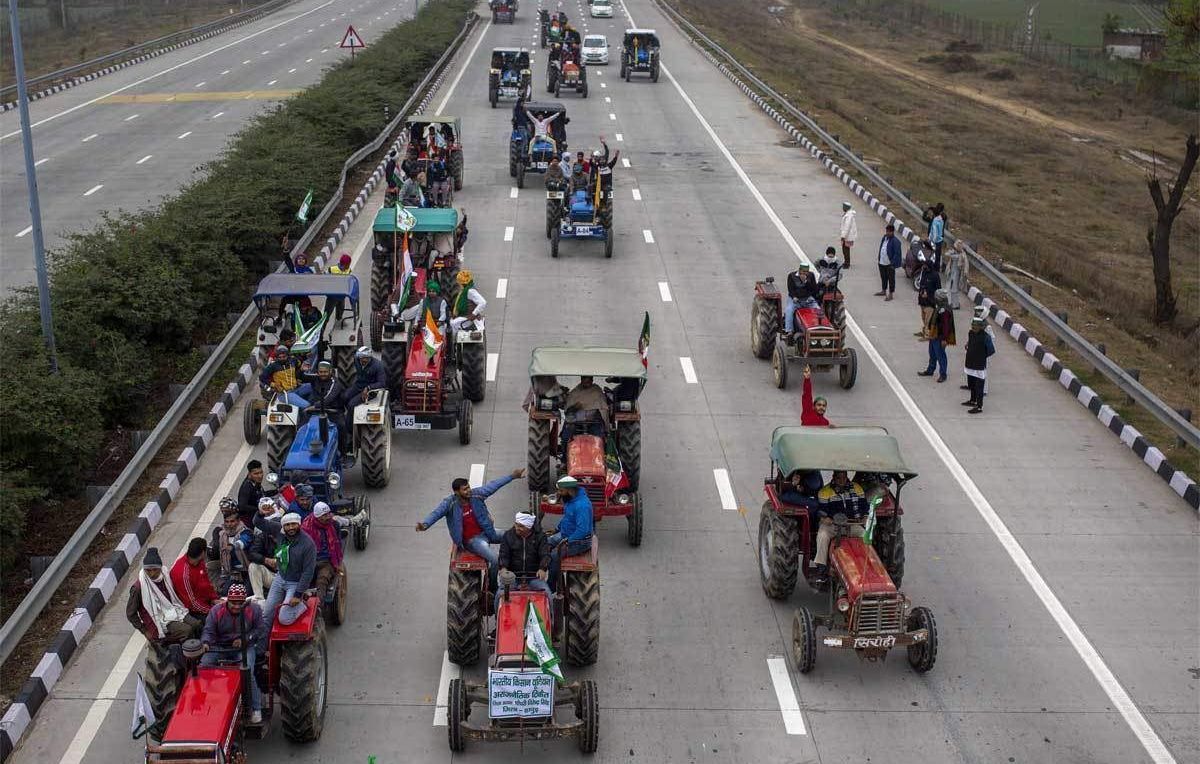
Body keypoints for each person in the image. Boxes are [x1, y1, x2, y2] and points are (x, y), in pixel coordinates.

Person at [417, 468, 525, 592]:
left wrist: (512, 476)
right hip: (473, 541)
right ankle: (492, 589)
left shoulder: (476, 494)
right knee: (495, 560)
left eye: (468, 487)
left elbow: (493, 485)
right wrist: (425, 525)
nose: (468, 491)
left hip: (488, 532)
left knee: (516, 536)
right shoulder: (449, 503)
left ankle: (521, 576)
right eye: (465, 489)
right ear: (456, 492)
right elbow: (436, 513)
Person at [200, 584, 266, 724]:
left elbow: (260, 630)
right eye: (233, 602)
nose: (236, 606)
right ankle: (205, 703)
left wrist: (245, 639)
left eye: (240, 603)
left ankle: (256, 708)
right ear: (227, 600)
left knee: (247, 671)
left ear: (245, 602)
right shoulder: (216, 611)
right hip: (219, 647)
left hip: (244, 647)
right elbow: (208, 630)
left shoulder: (254, 610)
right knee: (204, 666)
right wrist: (206, 643)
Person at [126, 547, 198, 642]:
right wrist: (144, 630)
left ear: (160, 568)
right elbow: (130, 614)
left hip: (173, 610)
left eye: (155, 570)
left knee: (196, 624)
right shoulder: (138, 588)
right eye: (148, 570)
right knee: (186, 630)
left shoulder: (165, 575)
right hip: (158, 620)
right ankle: (183, 651)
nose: (152, 574)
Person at [811, 471, 868, 584]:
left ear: (847, 477)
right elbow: (821, 511)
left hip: (851, 525)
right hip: (832, 525)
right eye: (839, 478)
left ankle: (865, 566)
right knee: (822, 536)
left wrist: (865, 517)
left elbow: (864, 507)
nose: (842, 481)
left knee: (865, 536)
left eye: (844, 478)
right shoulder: (825, 492)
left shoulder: (857, 489)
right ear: (833, 478)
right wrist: (825, 518)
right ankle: (821, 570)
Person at [263, 513, 317, 628]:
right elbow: (258, 522)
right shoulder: (280, 534)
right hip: (280, 578)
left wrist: (297, 595)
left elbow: (308, 572)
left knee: (284, 618)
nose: (291, 527)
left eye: (294, 524)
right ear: (283, 527)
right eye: (287, 525)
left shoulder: (308, 544)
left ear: (299, 524)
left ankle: (303, 603)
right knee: (267, 614)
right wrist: (260, 513)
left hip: (295, 583)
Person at [496, 512, 553, 613]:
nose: (517, 528)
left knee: (548, 594)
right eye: (516, 524)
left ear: (529, 527)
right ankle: (498, 622)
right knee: (499, 595)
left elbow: (545, 555)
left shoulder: (540, 537)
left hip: (534, 577)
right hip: (513, 577)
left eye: (521, 526)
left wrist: (542, 568)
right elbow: (503, 554)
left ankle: (550, 624)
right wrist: (503, 568)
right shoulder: (508, 536)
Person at [546, 476, 593, 588]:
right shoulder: (571, 500)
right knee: (545, 544)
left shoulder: (582, 506)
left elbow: (583, 531)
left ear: (570, 490)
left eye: (561, 491)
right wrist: (557, 529)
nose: (559, 493)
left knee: (554, 555)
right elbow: (567, 518)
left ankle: (551, 586)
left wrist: (567, 541)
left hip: (579, 541)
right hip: (565, 534)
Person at [210, 509, 269, 597]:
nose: (229, 524)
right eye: (227, 522)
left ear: (238, 521)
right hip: (233, 573)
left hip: (249, 571)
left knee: (245, 595)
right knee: (225, 594)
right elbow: (221, 556)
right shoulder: (223, 535)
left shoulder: (246, 532)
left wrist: (234, 547)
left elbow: (243, 541)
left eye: (232, 521)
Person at [301, 502, 348, 598]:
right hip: (309, 561)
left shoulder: (334, 525)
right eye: (324, 515)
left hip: (326, 561)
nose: (328, 517)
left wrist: (337, 563)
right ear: (317, 517)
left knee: (322, 580)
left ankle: (318, 607)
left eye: (328, 514)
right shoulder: (305, 527)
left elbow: (337, 545)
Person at [170, 538, 219, 620]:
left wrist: (214, 599)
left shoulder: (200, 562)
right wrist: (211, 611)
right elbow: (192, 603)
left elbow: (206, 583)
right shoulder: (183, 574)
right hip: (193, 610)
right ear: (203, 553)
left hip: (205, 602)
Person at [342, 347, 387, 426]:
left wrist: (369, 388)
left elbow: (382, 383)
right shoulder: (356, 360)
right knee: (344, 397)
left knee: (351, 405)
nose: (363, 361)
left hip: (370, 390)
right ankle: (349, 415)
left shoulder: (378, 365)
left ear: (370, 357)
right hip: (358, 385)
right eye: (361, 358)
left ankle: (349, 428)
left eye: (366, 358)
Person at [918, 289, 956, 382]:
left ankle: (943, 374)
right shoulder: (939, 306)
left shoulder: (945, 310)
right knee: (932, 353)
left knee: (940, 355)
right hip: (934, 334)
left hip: (940, 336)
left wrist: (944, 339)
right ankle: (930, 370)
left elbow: (946, 326)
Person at [562, 376, 609, 449]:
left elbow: (603, 408)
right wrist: (574, 408)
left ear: (592, 380)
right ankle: (565, 457)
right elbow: (568, 409)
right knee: (565, 438)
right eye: (584, 381)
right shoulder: (576, 391)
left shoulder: (596, 391)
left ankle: (602, 457)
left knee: (600, 439)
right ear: (581, 380)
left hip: (593, 423)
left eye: (588, 382)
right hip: (576, 423)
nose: (586, 383)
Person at [963, 316, 996, 414]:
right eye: (972, 326)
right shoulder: (971, 333)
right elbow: (969, 343)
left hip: (979, 365)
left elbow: (991, 350)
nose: (973, 328)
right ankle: (972, 400)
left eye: (975, 326)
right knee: (971, 384)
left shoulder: (986, 337)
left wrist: (981, 355)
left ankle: (979, 406)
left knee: (979, 387)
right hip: (969, 363)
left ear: (980, 327)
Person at [784, 263, 821, 338]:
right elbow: (790, 289)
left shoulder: (811, 276)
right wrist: (794, 296)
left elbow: (814, 289)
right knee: (789, 310)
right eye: (803, 272)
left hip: (807, 299)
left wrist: (806, 282)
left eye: (806, 272)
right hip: (795, 299)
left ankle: (818, 328)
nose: (805, 274)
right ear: (800, 270)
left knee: (818, 310)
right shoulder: (792, 276)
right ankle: (789, 331)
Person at [236, 462, 275, 527]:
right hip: (251, 521)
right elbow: (242, 506)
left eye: (261, 472)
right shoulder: (247, 487)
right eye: (256, 474)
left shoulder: (255, 482)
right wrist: (259, 509)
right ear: (249, 474)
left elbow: (262, 494)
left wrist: (276, 491)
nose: (260, 476)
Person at [914, 254, 941, 338]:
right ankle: (924, 331)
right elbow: (921, 284)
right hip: (922, 300)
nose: (924, 267)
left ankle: (928, 334)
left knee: (928, 319)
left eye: (925, 265)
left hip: (930, 301)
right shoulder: (924, 273)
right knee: (923, 317)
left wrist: (931, 296)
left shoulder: (935, 275)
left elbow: (938, 289)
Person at [875, 223, 902, 301]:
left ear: (892, 232)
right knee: (883, 277)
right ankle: (883, 290)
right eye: (886, 231)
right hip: (882, 262)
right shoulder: (884, 238)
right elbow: (882, 247)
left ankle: (891, 294)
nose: (886, 233)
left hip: (889, 264)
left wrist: (892, 264)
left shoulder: (896, 241)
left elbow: (897, 254)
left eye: (888, 232)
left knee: (891, 279)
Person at [944, 239, 969, 310]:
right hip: (951, 272)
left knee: (954, 289)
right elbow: (947, 254)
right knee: (948, 287)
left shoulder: (962, 255)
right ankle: (950, 302)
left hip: (957, 274)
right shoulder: (955, 253)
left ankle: (955, 304)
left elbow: (965, 267)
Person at [839, 201, 858, 268]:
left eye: (843, 207)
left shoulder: (849, 216)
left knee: (845, 249)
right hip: (848, 235)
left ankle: (847, 263)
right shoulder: (847, 214)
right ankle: (846, 262)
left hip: (848, 236)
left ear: (846, 208)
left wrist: (843, 236)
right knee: (845, 249)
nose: (842, 208)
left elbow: (847, 226)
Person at [927, 203, 946, 270]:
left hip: (934, 242)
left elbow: (934, 233)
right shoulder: (942, 220)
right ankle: (936, 272)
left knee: (931, 257)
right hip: (939, 241)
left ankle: (931, 272)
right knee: (937, 258)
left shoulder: (935, 221)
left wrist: (931, 241)